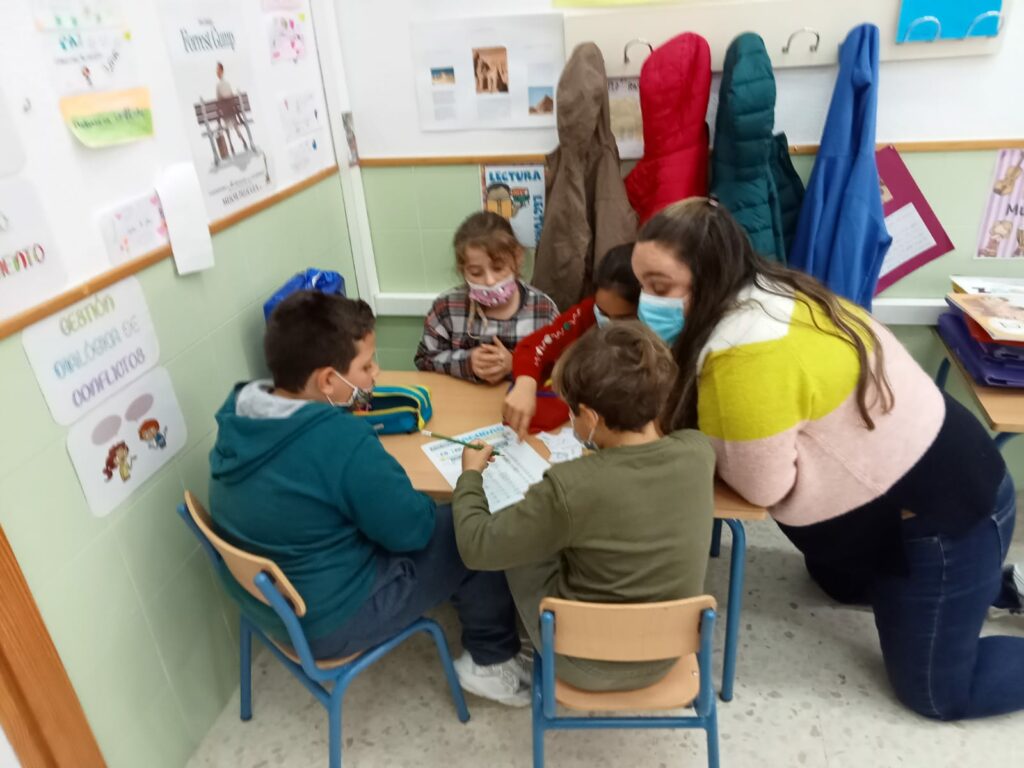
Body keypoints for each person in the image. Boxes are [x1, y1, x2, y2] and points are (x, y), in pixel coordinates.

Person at [633, 197, 1024, 721]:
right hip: (915, 484)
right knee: (835, 580)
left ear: (710, 275)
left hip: (947, 514)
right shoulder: (768, 292)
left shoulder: (747, 356)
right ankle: (969, 590)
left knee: (937, 693)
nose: (646, 300)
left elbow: (763, 489)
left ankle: (989, 584)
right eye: (642, 283)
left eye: (660, 287)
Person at [209, 291, 529, 706]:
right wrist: (467, 476)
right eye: (366, 365)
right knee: (472, 525)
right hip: (331, 620)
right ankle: (492, 661)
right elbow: (413, 531)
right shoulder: (340, 440)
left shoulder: (239, 413)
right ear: (327, 380)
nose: (376, 373)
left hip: (269, 604)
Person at [452, 323, 715, 691]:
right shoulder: (699, 452)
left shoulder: (570, 486)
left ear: (590, 417)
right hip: (669, 652)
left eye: (571, 411)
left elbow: (476, 546)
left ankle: (495, 658)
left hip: (579, 662)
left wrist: (469, 476)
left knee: (519, 540)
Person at [503, 242, 640, 437]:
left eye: (623, 318)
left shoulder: (653, 344)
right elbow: (535, 345)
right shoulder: (586, 314)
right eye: (602, 312)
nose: (609, 322)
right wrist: (525, 383)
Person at [414, 212, 558, 383]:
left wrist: (516, 364)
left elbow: (560, 370)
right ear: (462, 270)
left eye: (498, 268)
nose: (489, 281)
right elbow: (424, 359)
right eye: (476, 273)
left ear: (518, 258)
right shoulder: (447, 308)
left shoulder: (543, 311)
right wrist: (466, 363)